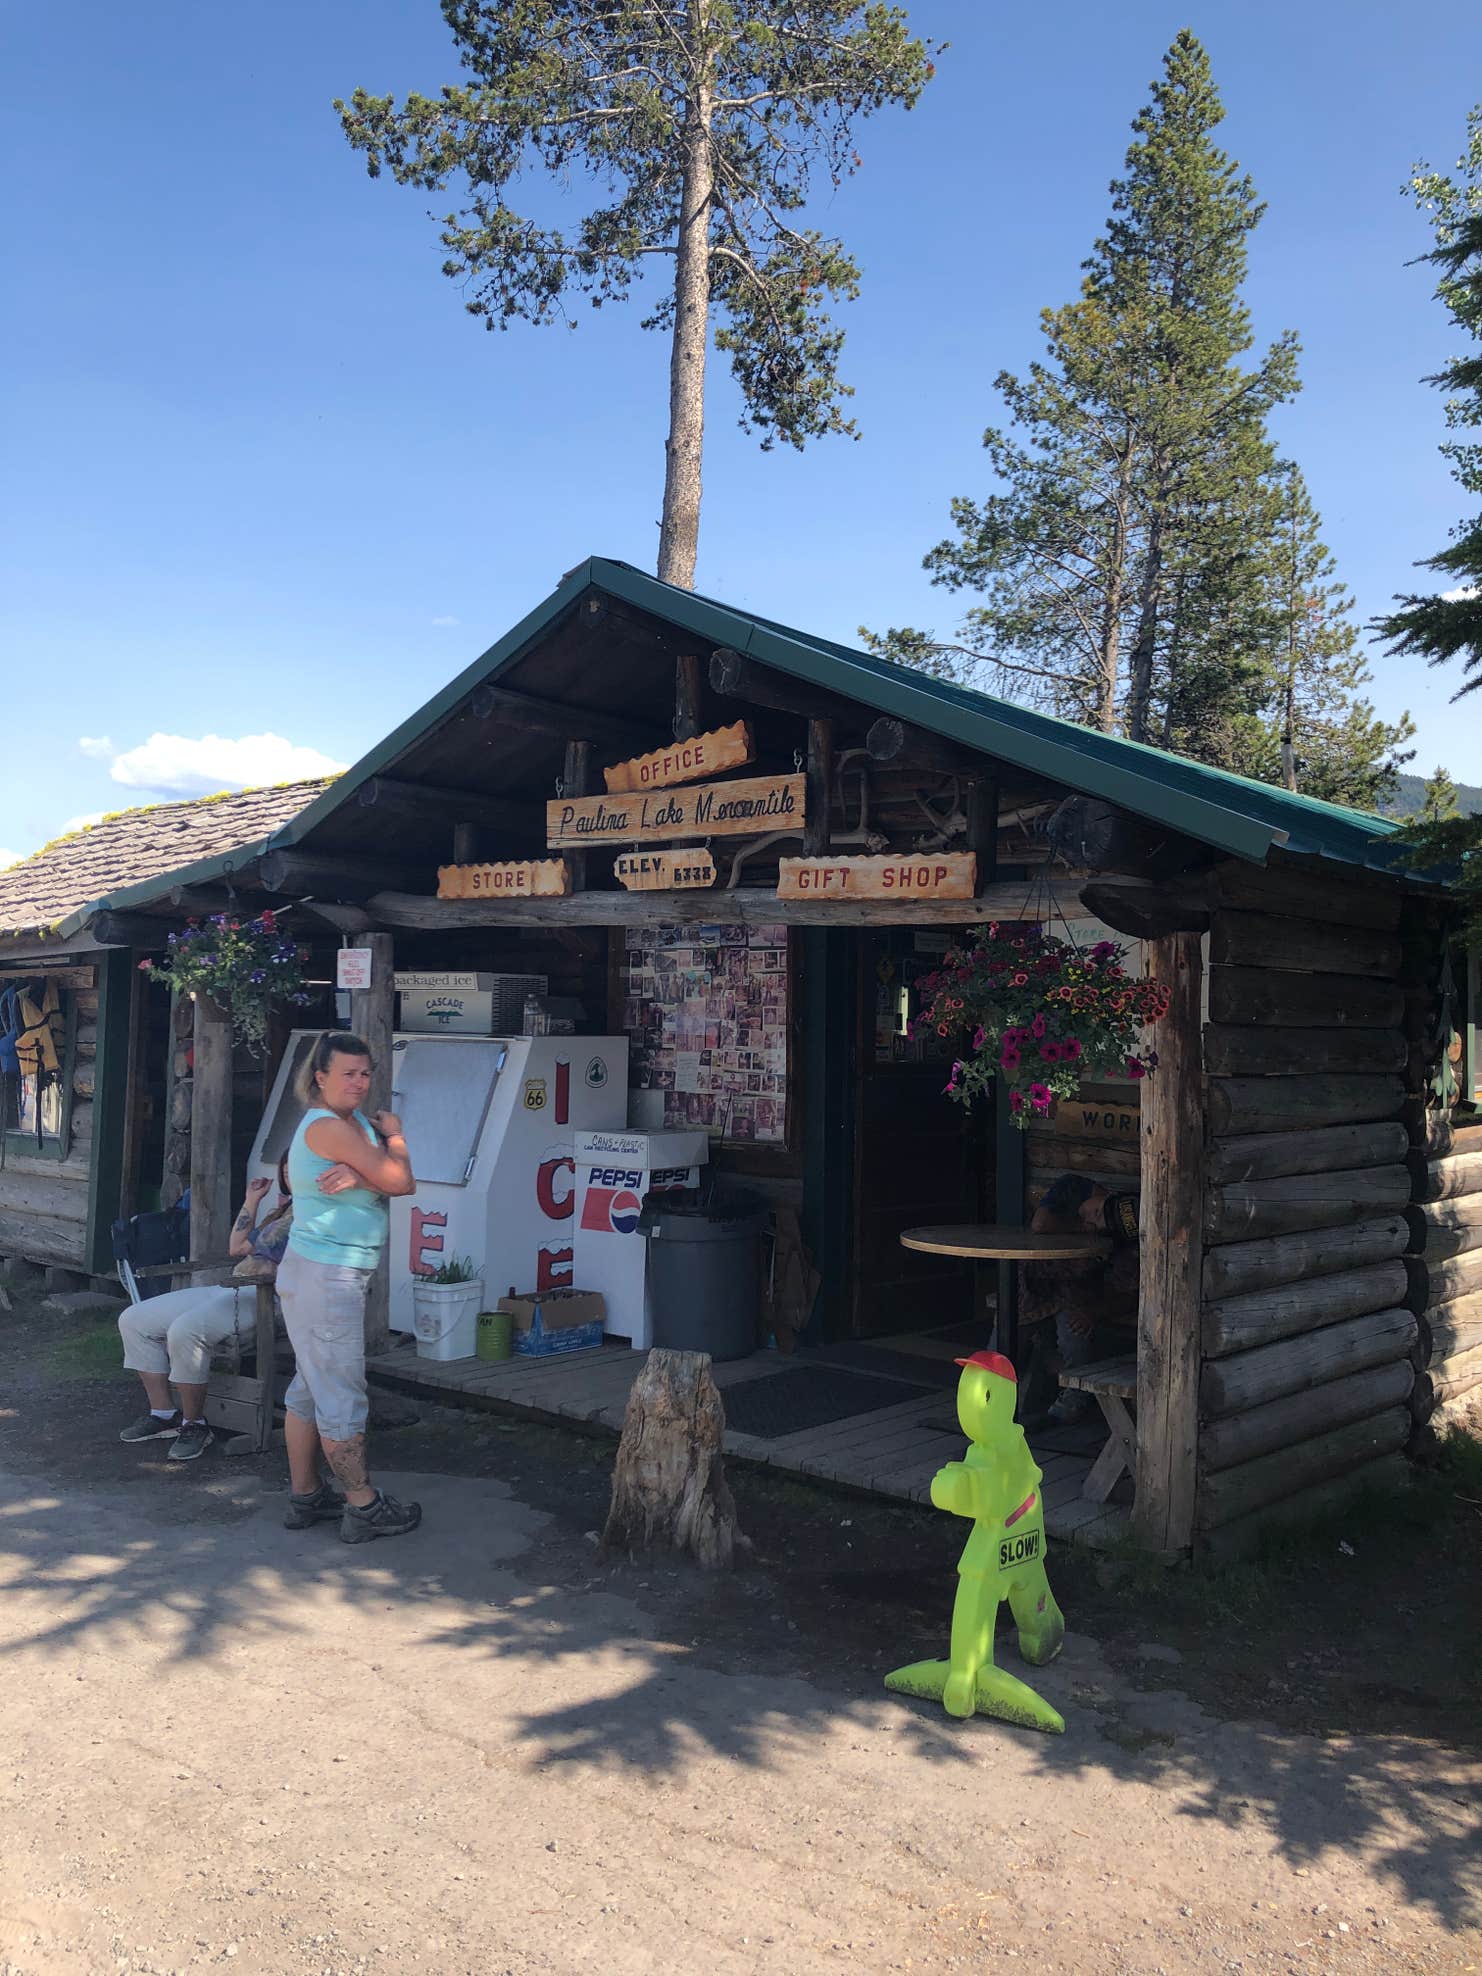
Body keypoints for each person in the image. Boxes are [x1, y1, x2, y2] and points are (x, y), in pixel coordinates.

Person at [276, 1030, 419, 1543]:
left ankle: (306, 1496)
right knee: (340, 1395)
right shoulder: (332, 1128)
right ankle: (362, 1505)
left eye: (366, 1073)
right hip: (326, 1275)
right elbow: (403, 1182)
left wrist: (364, 1177)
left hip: (317, 1270)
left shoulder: (348, 1121)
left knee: (310, 1390)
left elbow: (379, 1178)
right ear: (320, 1077)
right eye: (348, 1074)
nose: (360, 1083)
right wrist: (396, 1138)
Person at [117, 1158, 294, 1461]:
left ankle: (194, 1424)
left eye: (299, 1168)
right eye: (287, 1170)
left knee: (186, 1329)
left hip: (268, 1296)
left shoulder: (314, 1215)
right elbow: (235, 1247)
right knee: (134, 1319)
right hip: (234, 1287)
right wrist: (252, 1200)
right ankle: (164, 1415)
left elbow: (253, 1254)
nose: (292, 1175)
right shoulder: (282, 1212)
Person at [1019, 1174, 1139, 1428]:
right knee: (1011, 1322)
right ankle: (986, 1394)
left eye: (1098, 1222)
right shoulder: (1073, 1187)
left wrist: (1094, 1312)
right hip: (1036, 1282)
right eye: (1096, 1211)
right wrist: (1084, 1226)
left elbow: (1127, 1288)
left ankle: (1071, 1401)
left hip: (1077, 1290)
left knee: (1075, 1326)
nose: (1090, 1219)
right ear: (1105, 1194)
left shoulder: (1125, 1240)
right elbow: (1040, 1224)